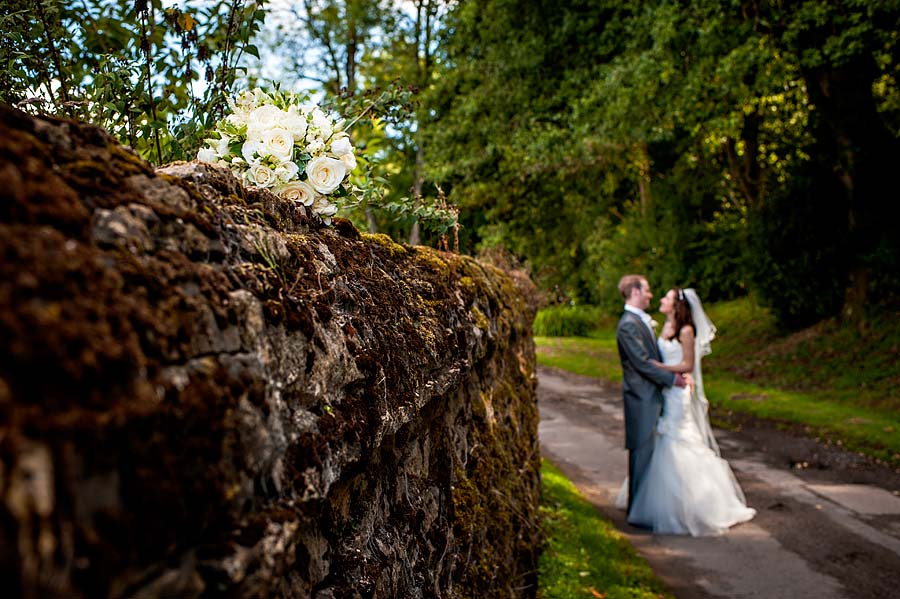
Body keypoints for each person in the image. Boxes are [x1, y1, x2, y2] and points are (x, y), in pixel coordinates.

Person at [616, 286, 757, 535]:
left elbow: (688, 363)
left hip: (677, 391)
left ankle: (695, 505)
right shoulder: (663, 326)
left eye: (666, 298)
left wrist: (664, 369)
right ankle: (660, 501)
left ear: (677, 305)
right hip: (666, 390)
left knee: (679, 439)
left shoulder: (686, 330)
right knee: (662, 441)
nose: (660, 299)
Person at [615, 275, 687, 525]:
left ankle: (646, 508)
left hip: (654, 397)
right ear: (635, 292)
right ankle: (637, 513)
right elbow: (641, 363)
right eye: (647, 290)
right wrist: (671, 380)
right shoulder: (628, 324)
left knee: (652, 454)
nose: (650, 295)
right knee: (642, 452)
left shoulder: (639, 321)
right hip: (641, 399)